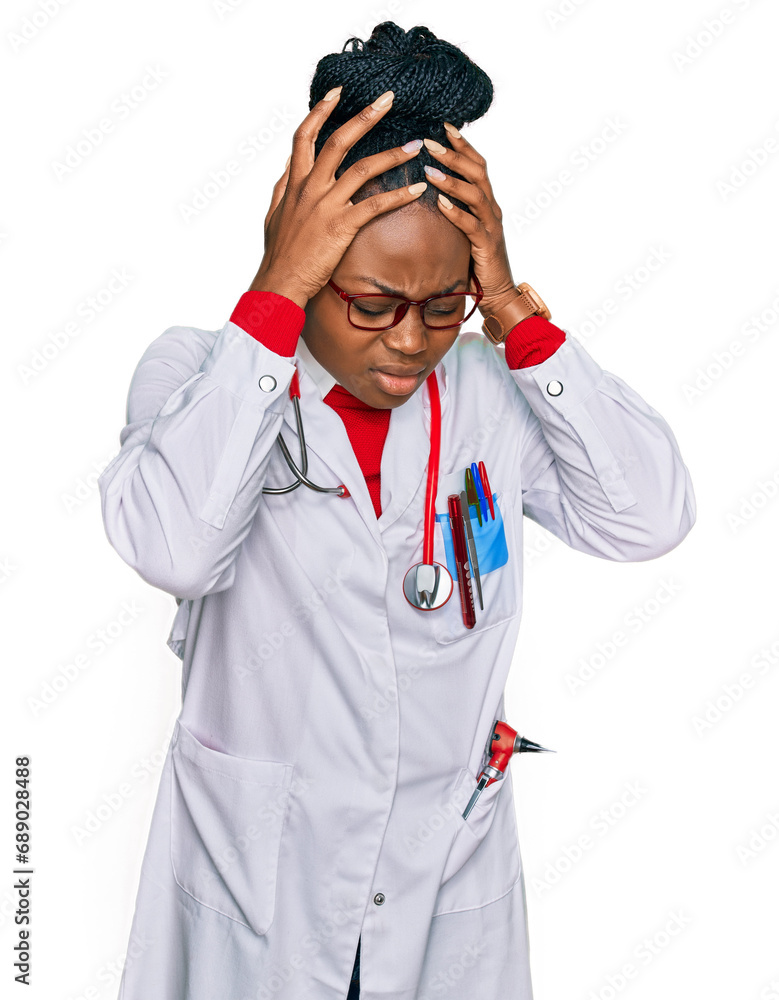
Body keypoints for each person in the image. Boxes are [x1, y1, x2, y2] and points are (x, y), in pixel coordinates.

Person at [97, 21, 696, 1000]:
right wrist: (274, 292)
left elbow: (650, 516)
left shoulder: (494, 396)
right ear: (307, 259)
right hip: (257, 895)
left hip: (441, 895)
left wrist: (509, 311)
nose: (409, 339)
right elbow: (175, 546)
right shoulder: (199, 373)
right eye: (370, 302)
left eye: (443, 302)